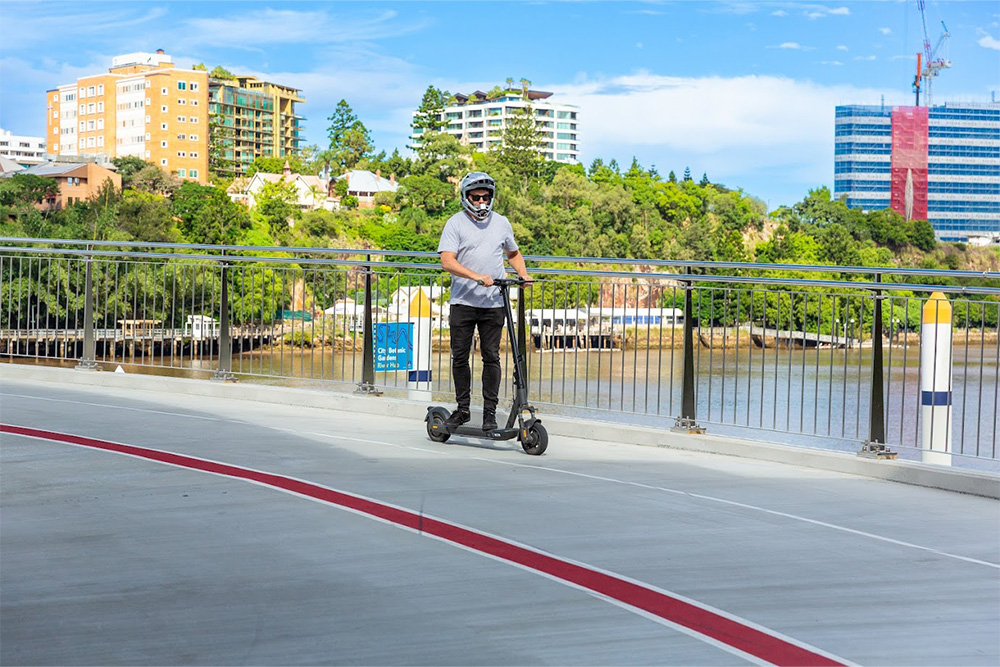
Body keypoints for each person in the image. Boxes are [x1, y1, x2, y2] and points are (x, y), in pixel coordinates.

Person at [438, 172, 530, 432]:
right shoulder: (455, 223)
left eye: (485, 197)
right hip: (463, 302)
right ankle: (463, 409)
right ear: (466, 197)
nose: (481, 202)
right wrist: (475, 276)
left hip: (493, 302)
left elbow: (513, 253)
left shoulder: (501, 223)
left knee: (491, 357)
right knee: (460, 358)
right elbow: (447, 261)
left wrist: (522, 275)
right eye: (476, 197)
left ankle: (489, 414)